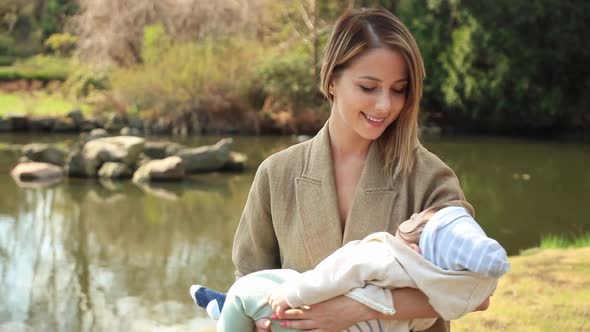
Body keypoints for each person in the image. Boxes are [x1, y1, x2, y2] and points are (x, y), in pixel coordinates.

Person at [229, 6, 493, 331]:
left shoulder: (430, 179)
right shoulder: (275, 175)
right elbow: (248, 281)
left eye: (398, 90)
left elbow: (476, 293)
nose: (384, 105)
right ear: (331, 81)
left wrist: (352, 309)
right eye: (368, 88)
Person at [190, 206, 509, 331]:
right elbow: (470, 295)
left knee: (251, 292)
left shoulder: (386, 255)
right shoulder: (441, 291)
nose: (410, 217)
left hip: (307, 308)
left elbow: (336, 273)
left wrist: (292, 295)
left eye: (416, 220)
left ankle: (225, 308)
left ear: (415, 249)